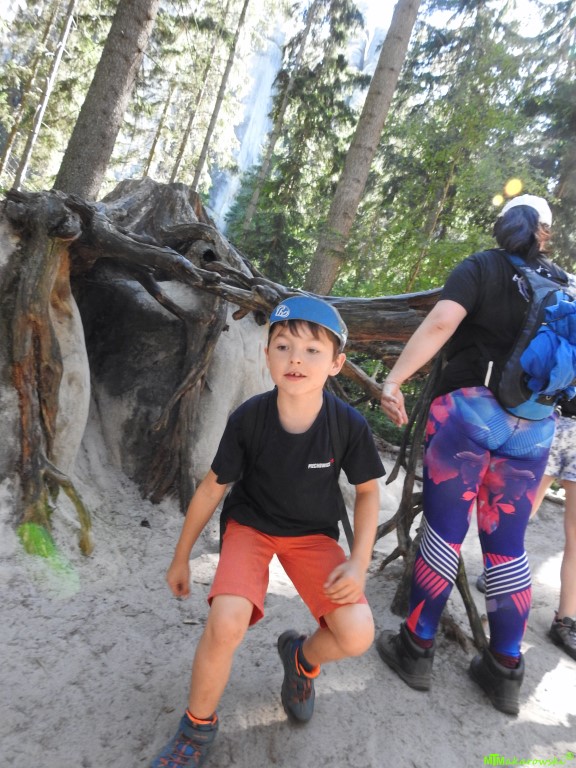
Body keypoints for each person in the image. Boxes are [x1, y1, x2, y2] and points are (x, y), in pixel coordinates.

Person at [150, 296, 385, 768]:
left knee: (357, 634)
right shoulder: (249, 418)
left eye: (312, 350)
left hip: (313, 535)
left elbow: (367, 493)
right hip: (251, 526)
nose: (296, 359)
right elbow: (213, 487)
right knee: (226, 621)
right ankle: (197, 727)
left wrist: (359, 562)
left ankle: (301, 659)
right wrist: (181, 556)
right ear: (267, 354)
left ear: (336, 363)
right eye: (283, 346)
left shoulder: (348, 425)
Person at [377, 194, 569, 716]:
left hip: (468, 414)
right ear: (544, 233)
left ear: (503, 226)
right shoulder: (563, 285)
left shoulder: (482, 266)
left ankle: (417, 647)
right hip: (534, 429)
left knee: (445, 531)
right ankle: (505, 668)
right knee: (507, 546)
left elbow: (442, 323)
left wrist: (394, 379)